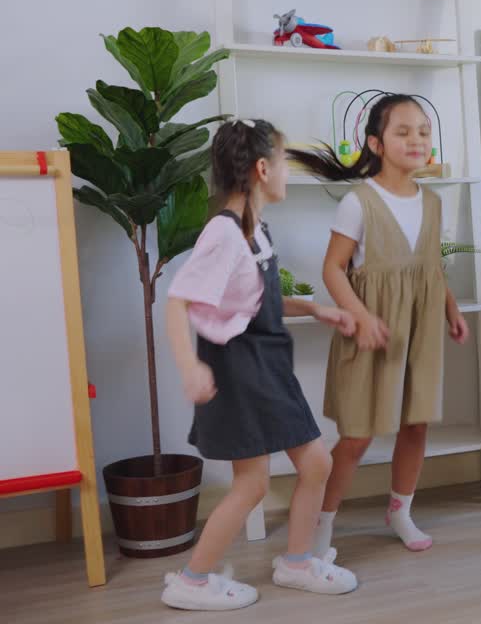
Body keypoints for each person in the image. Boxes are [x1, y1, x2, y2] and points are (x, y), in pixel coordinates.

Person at [162, 118, 358, 611]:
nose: (288, 172)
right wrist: (190, 367)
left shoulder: (256, 230)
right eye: (284, 162)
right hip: (239, 372)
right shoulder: (224, 233)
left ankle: (296, 563)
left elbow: (250, 301)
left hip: (267, 368)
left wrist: (312, 308)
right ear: (263, 169)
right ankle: (192, 581)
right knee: (252, 484)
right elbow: (178, 300)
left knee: (316, 463)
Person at [290, 94, 470, 555]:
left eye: (424, 131)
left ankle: (400, 511)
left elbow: (430, 267)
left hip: (421, 329)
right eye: (403, 131)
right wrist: (361, 315)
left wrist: (450, 308)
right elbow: (333, 268)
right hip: (372, 331)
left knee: (416, 425)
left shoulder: (433, 202)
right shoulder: (359, 202)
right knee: (357, 434)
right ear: (376, 143)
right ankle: (320, 522)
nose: (416, 140)